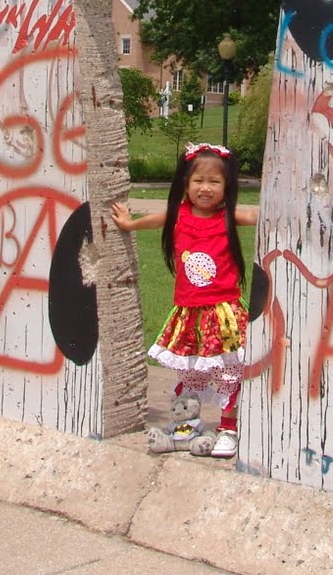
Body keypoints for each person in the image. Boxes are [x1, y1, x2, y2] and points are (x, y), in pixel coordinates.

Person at [111, 141, 259, 457]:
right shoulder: (178, 215)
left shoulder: (227, 217)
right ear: (186, 184)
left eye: (214, 181)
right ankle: (185, 426)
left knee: (227, 372)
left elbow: (254, 213)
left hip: (223, 313)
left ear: (227, 185)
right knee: (189, 372)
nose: (205, 188)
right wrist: (129, 224)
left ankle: (228, 430)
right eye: (198, 181)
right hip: (188, 313)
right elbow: (155, 221)